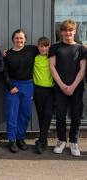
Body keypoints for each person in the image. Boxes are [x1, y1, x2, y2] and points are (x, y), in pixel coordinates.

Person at [49, 19, 87, 156]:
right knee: (60, 115)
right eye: (65, 30)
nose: (67, 33)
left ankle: (73, 142)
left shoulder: (81, 49)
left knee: (76, 116)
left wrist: (72, 86)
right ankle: (61, 140)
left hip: (76, 87)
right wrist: (63, 86)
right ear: (61, 32)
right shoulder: (55, 47)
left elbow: (83, 69)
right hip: (60, 87)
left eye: (70, 30)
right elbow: (52, 67)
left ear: (74, 31)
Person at [3, 29, 38, 153]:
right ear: (13, 39)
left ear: (25, 39)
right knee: (12, 114)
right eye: (17, 38)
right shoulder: (8, 54)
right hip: (13, 86)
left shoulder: (32, 50)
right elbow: (4, 73)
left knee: (25, 114)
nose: (19, 40)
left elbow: (46, 47)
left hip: (28, 85)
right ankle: (12, 140)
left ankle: (20, 138)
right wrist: (10, 86)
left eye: (21, 38)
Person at [33, 37, 54, 154]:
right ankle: (44, 140)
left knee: (48, 114)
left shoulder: (51, 58)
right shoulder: (35, 58)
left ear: (49, 47)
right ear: (38, 47)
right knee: (41, 115)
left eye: (46, 46)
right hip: (38, 90)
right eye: (41, 46)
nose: (43, 48)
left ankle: (40, 141)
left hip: (50, 90)